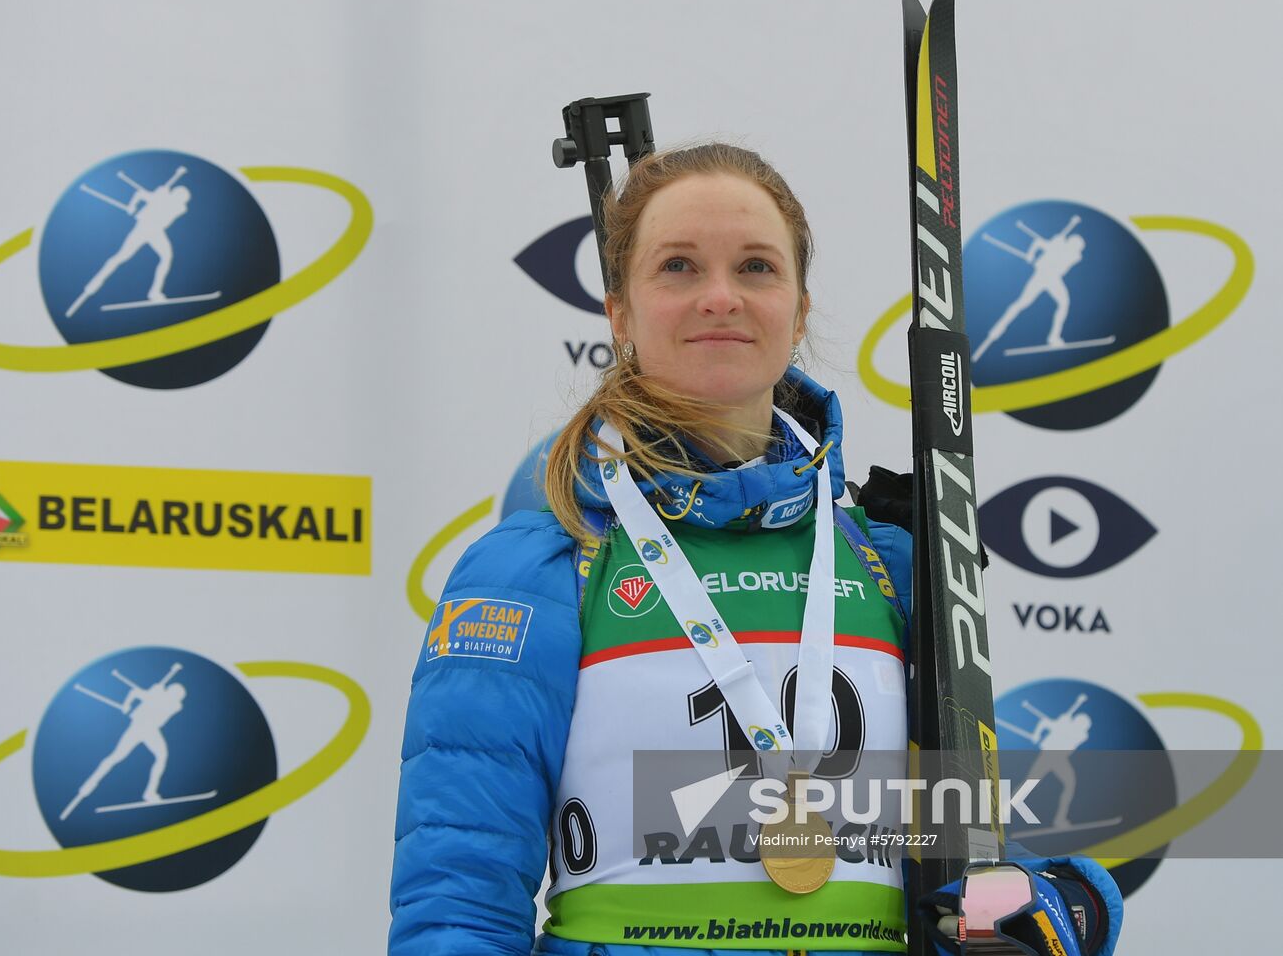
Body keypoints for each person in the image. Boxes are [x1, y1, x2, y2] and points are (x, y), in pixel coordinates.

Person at [389, 144, 1122, 955]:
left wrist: (1054, 903)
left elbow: (963, 845)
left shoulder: (892, 561)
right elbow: (457, 904)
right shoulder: (539, 569)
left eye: (756, 267)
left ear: (799, 309)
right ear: (620, 311)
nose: (719, 297)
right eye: (677, 266)